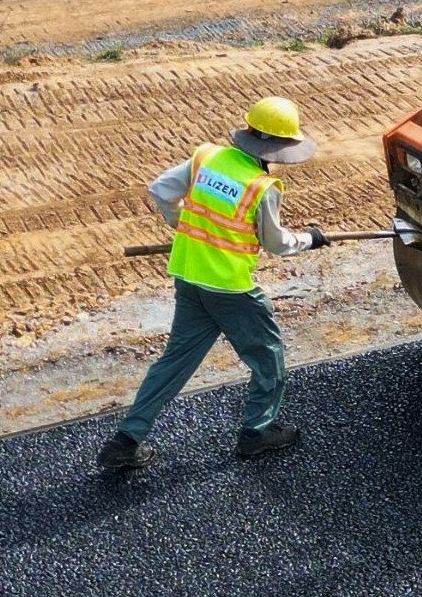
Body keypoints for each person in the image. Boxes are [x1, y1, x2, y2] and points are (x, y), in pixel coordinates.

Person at [95, 96, 330, 470]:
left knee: (173, 363)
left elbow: (160, 189)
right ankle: (257, 432)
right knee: (268, 356)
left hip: (190, 278)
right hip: (231, 289)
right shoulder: (261, 187)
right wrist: (311, 239)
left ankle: (126, 441)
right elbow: (276, 243)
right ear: (279, 147)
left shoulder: (207, 157)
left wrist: (181, 225)